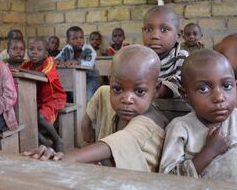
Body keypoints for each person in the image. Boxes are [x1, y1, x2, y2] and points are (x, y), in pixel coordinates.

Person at [25, 45, 166, 172]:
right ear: (111, 81)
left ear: (156, 89)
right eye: (117, 88)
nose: (126, 99)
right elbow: (102, 91)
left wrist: (59, 159)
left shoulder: (149, 122)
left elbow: (113, 144)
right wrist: (85, 123)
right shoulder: (108, 92)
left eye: (140, 92)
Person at [159, 49, 237, 186]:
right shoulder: (180, 129)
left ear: (236, 86)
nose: (219, 97)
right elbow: (167, 182)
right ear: (185, 95)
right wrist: (209, 152)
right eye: (203, 89)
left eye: (226, 86)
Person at [20, 38, 67, 151]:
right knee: (26, 118)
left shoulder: (49, 61)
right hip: (39, 101)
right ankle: (45, 141)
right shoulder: (27, 65)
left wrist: (20, 71)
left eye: (39, 50)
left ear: (46, 54)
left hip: (55, 98)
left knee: (41, 117)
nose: (34, 52)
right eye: (31, 49)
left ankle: (57, 140)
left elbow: (42, 76)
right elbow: (19, 71)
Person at [142, 6, 188, 99]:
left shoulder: (182, 58)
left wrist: (162, 89)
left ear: (178, 36)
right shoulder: (139, 60)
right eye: (148, 30)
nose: (155, 36)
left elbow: (182, 82)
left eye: (164, 30)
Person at [55, 26, 100, 100]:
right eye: (74, 38)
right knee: (67, 93)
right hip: (74, 79)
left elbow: (89, 63)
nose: (79, 40)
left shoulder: (88, 49)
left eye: (81, 37)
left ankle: (87, 111)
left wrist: (77, 62)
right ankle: (76, 110)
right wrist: (57, 61)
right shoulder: (67, 49)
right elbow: (59, 58)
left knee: (88, 95)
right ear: (68, 41)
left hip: (90, 78)